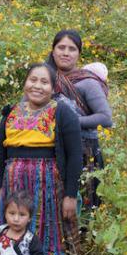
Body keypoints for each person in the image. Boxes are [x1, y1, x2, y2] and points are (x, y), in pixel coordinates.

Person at [0, 63, 82, 255]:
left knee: (47, 237)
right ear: (25, 82)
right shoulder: (11, 111)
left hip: (46, 185)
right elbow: (0, 151)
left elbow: (75, 154)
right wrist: (0, 187)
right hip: (14, 183)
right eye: (33, 80)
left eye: (44, 82)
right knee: (13, 236)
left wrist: (70, 194)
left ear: (53, 87)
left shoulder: (61, 112)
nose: (37, 86)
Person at [46, 30, 112, 212]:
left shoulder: (87, 83)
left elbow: (106, 118)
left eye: (72, 49)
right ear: (53, 51)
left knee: (81, 210)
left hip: (84, 153)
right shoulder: (44, 80)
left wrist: (71, 123)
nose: (65, 53)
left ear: (79, 54)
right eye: (61, 47)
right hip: (51, 151)